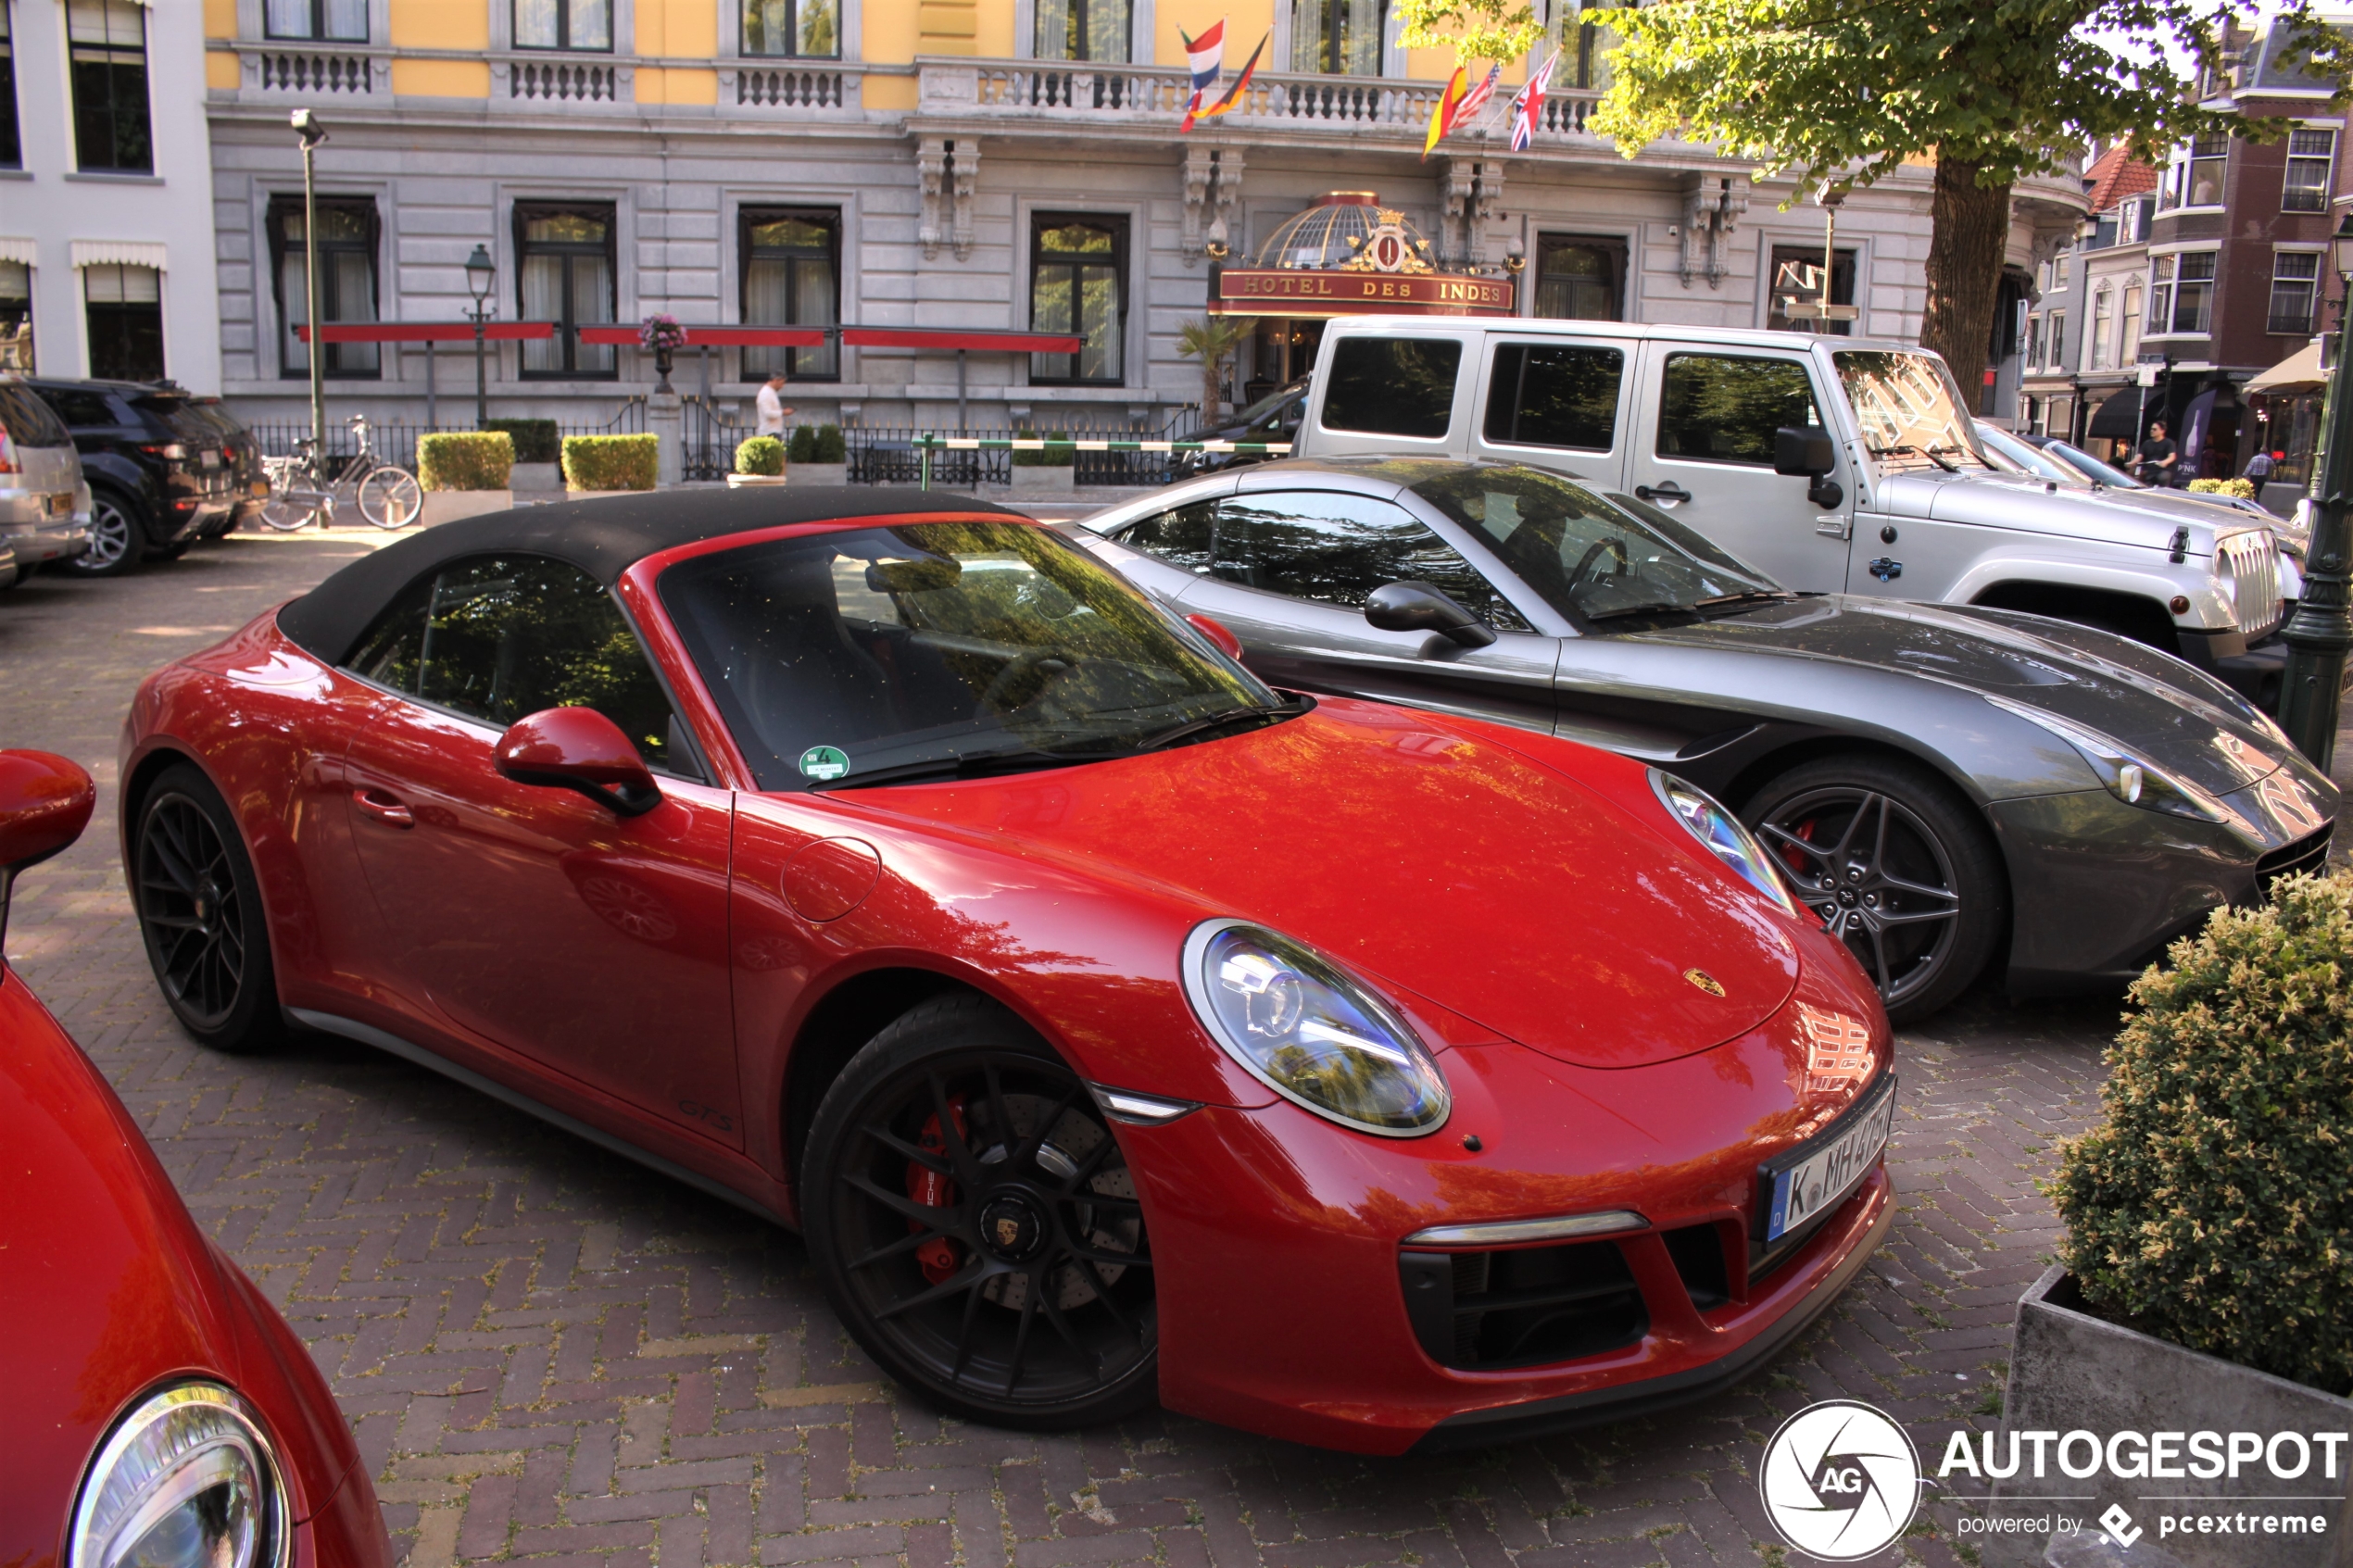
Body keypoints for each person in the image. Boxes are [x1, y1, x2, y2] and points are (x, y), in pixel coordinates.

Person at [2137, 420, 2177, 487]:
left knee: (2163, 478)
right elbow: (2139, 456)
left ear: (2162, 431)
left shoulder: (2169, 443)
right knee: (2137, 479)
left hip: (2164, 470)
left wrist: (2164, 462)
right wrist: (2132, 463)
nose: (2152, 431)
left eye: (2154, 429)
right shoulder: (2146, 443)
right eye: (2151, 429)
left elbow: (2172, 457)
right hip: (2150, 471)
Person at [755, 371, 794, 439]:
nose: (782, 386)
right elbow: (768, 413)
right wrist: (783, 412)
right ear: (775, 380)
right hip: (769, 433)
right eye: (781, 383)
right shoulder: (765, 393)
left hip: (773, 431)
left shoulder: (771, 392)